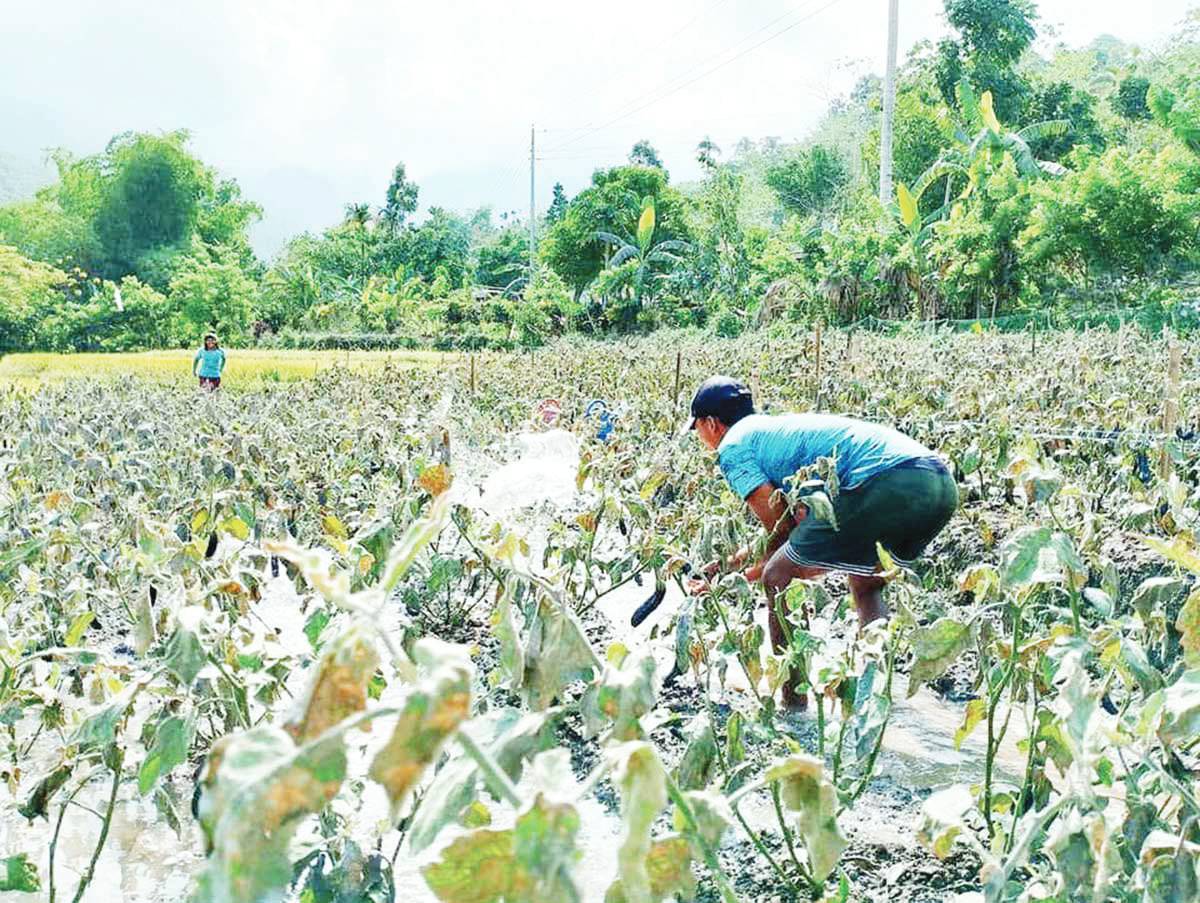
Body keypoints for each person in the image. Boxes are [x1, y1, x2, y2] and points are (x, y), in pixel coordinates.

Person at [685, 375, 958, 709]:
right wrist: (725, 568)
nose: (700, 437)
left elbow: (780, 535)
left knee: (778, 578)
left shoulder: (733, 447)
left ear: (711, 423)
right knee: (866, 584)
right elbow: (788, 535)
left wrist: (730, 580)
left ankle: (795, 706)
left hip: (888, 481)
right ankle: (881, 701)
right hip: (937, 483)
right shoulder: (772, 432)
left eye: (697, 427)